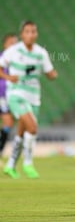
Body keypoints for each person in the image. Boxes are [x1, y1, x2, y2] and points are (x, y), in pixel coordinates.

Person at [0, 21, 58, 179]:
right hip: (16, 94)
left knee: (22, 130)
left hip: (33, 97)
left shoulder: (41, 53)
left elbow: (50, 72)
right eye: (27, 31)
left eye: (33, 31)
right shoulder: (13, 51)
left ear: (36, 34)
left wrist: (52, 75)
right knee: (32, 128)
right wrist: (8, 77)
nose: (31, 34)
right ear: (22, 34)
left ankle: (11, 165)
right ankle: (28, 163)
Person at [0, 33, 18, 160]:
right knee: (7, 121)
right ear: (5, 44)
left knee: (8, 123)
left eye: (15, 44)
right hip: (1, 94)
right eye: (11, 43)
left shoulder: (16, 60)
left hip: (8, 95)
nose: (14, 46)